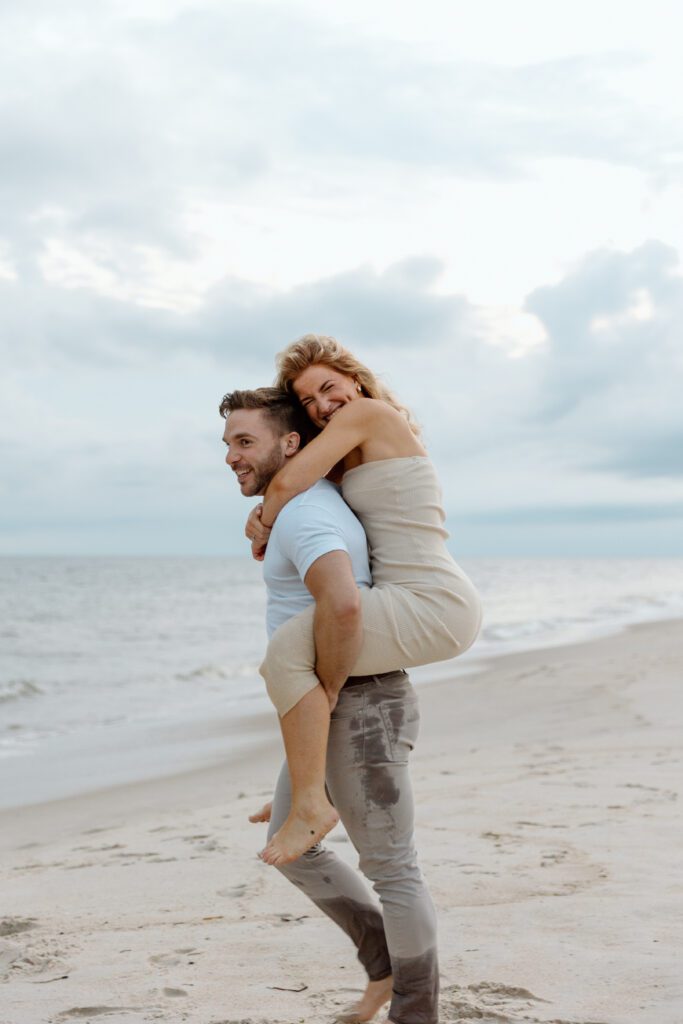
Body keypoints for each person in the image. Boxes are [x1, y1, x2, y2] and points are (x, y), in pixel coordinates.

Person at [221, 387, 438, 1024]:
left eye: (245, 441)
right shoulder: (302, 503)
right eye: (227, 444)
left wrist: (333, 693)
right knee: (292, 846)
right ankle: (386, 969)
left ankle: (415, 1012)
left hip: (361, 705)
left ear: (291, 445)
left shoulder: (305, 514)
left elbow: (343, 604)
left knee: (393, 869)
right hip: (337, 708)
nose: (232, 456)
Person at [246, 334, 482, 870]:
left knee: (288, 655)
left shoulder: (371, 414)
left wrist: (259, 523)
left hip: (432, 602)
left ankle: (309, 798)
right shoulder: (347, 445)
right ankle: (300, 792)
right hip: (418, 599)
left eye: (328, 388)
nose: (322, 405)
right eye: (307, 402)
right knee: (320, 656)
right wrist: (265, 510)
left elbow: (288, 485)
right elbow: (290, 484)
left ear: (355, 379)